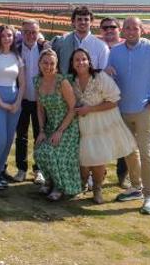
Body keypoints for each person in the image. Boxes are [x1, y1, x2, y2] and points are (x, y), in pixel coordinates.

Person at [107, 17, 150, 215]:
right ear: (122, 31)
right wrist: (107, 73)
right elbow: (111, 78)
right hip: (122, 109)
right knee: (128, 150)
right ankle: (136, 187)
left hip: (145, 110)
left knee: (146, 152)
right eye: (127, 27)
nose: (130, 30)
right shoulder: (115, 51)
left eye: (134, 27)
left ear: (142, 30)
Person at [70, 48, 137, 204]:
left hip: (102, 123)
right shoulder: (71, 81)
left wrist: (90, 109)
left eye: (83, 59)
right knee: (83, 159)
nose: (80, 62)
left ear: (89, 61)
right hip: (82, 124)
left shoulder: (100, 77)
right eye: (77, 60)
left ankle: (98, 188)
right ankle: (82, 184)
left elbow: (114, 101)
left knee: (98, 158)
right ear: (72, 64)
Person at [33, 49, 82, 201]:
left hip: (68, 125)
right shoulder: (37, 81)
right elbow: (40, 109)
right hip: (50, 125)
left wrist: (60, 131)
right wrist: (41, 131)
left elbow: (73, 108)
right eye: (45, 63)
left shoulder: (62, 82)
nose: (48, 66)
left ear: (57, 64)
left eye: (52, 63)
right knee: (40, 150)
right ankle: (49, 180)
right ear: (39, 64)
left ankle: (59, 186)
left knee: (54, 151)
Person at [0, 25, 26, 191]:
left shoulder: (17, 57)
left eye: (9, 35)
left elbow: (22, 83)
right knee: (0, 138)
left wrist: (17, 102)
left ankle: (0, 171)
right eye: (3, 36)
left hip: (14, 99)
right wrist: (1, 102)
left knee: (8, 140)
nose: (7, 38)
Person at [14, 18, 47, 185]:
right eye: (26, 32)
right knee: (21, 136)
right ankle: (21, 168)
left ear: (38, 32)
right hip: (21, 100)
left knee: (40, 135)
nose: (30, 35)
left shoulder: (45, 48)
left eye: (33, 32)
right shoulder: (15, 49)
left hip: (40, 101)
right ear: (21, 33)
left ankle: (39, 169)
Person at [100, 16, 129, 188]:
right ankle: (98, 173)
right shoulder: (98, 47)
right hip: (102, 102)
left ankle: (122, 176)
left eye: (113, 27)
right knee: (100, 138)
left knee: (123, 139)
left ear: (119, 29)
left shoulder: (128, 46)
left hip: (124, 102)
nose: (109, 30)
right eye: (105, 27)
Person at [51, 6, 109, 74]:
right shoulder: (62, 41)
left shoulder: (101, 46)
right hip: (66, 83)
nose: (83, 22)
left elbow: (103, 73)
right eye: (79, 19)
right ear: (73, 22)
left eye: (86, 19)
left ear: (91, 22)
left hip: (92, 84)